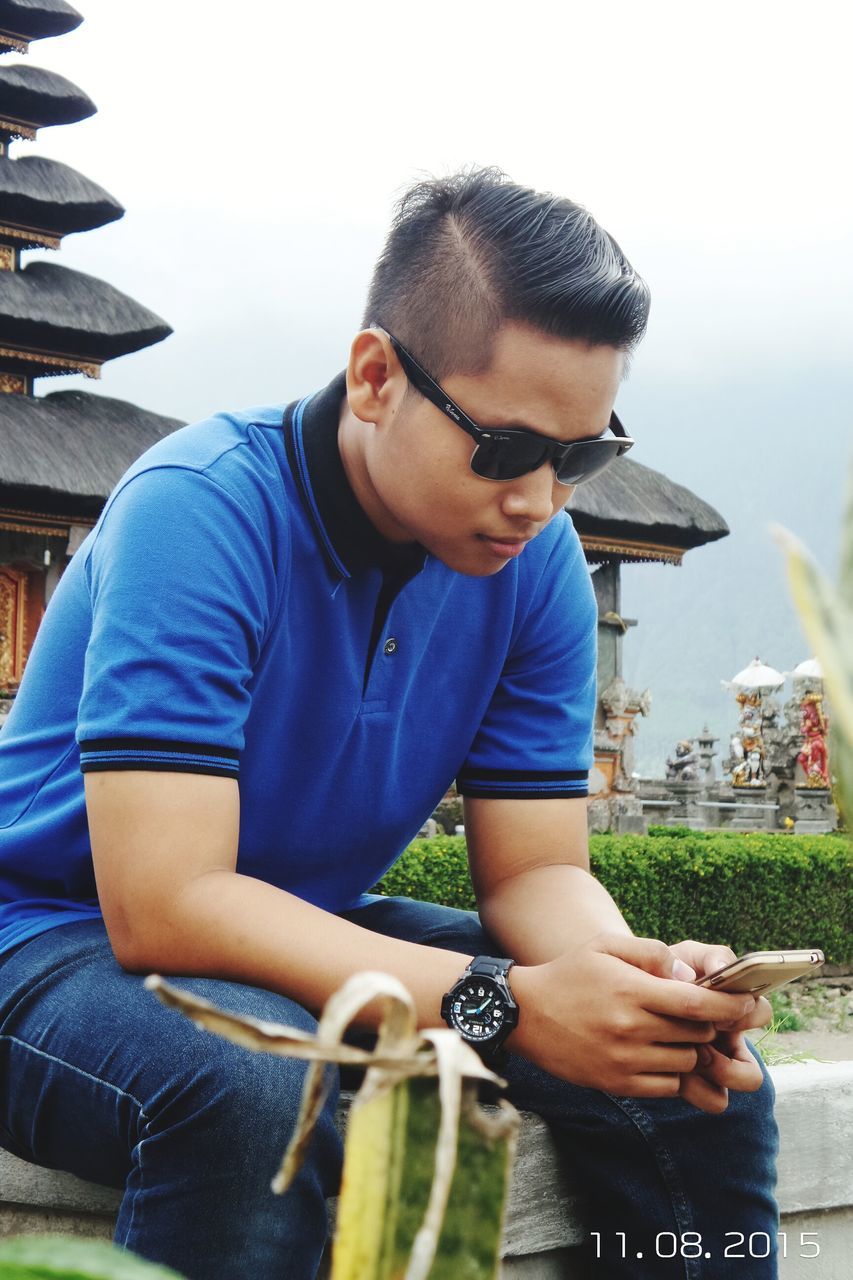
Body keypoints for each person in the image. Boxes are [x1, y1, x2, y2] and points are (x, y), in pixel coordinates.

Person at [0, 169, 778, 1279]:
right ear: (375, 376)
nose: (541, 498)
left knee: (688, 1077)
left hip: (301, 930)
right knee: (261, 1090)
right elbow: (163, 904)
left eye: (580, 455)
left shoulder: (532, 562)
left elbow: (536, 875)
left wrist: (638, 980)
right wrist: (502, 1002)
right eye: (507, 449)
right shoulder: (202, 508)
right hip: (42, 938)